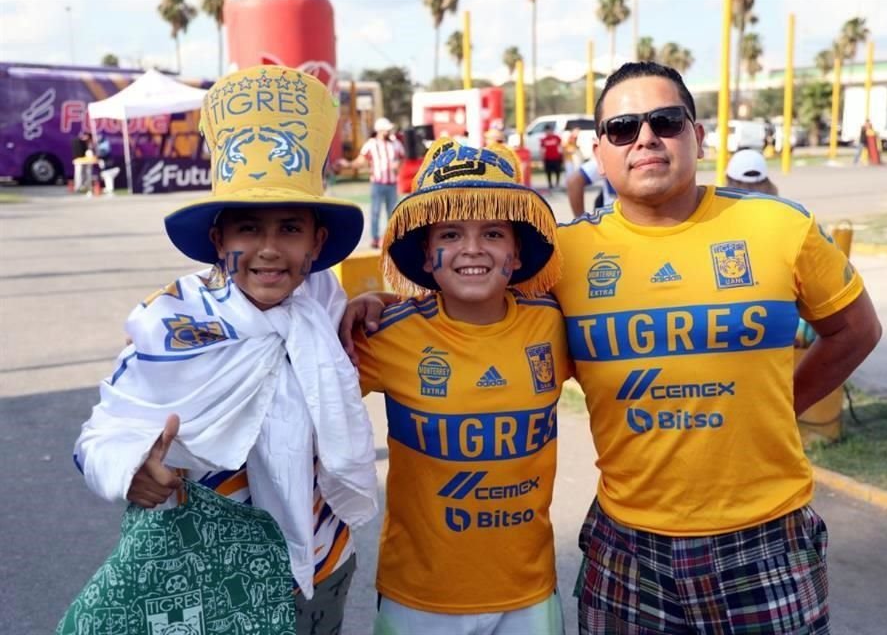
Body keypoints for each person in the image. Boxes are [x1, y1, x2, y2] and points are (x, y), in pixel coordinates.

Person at [560, 61, 881, 634]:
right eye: (623, 128)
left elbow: (856, 329)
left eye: (665, 121)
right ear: (599, 151)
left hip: (765, 542)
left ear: (698, 136)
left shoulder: (778, 226)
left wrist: (782, 404)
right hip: (628, 548)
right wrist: (371, 308)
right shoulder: (560, 257)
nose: (646, 139)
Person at [72, 65, 379, 635]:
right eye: (246, 229)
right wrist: (131, 468)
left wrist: (367, 304)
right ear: (218, 241)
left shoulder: (320, 303)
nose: (268, 250)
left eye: (290, 228)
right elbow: (99, 436)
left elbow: (344, 321)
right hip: (214, 581)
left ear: (316, 244)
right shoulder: (172, 322)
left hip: (325, 564)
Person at [347, 137, 570, 634]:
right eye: (450, 233)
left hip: (527, 595)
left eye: (493, 233)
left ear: (516, 254)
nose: (472, 249)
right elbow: (301, 394)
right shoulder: (387, 332)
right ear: (426, 256)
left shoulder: (554, 324)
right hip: (419, 598)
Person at [343, 116, 404, 249]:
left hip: (392, 183)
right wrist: (348, 164)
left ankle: (391, 237)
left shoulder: (395, 143)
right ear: (379, 131)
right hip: (377, 183)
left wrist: (397, 166)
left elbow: (402, 158)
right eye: (386, 130)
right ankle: (375, 238)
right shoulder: (371, 144)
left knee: (392, 212)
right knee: (375, 212)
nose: (388, 132)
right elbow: (361, 160)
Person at [541, 123, 564, 191]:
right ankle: (550, 184)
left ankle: (557, 183)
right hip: (548, 159)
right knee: (548, 172)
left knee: (557, 171)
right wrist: (543, 159)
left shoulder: (556, 138)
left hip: (556, 158)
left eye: (549, 130)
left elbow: (560, 147)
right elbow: (542, 150)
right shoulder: (544, 140)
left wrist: (561, 156)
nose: (548, 132)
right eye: (547, 131)